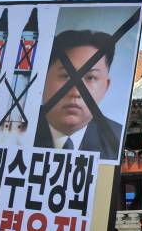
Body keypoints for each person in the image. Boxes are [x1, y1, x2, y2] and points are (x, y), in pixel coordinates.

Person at [34, 30, 122, 160]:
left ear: (106, 87)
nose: (76, 92)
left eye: (91, 78)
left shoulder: (117, 140)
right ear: (43, 79)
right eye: (65, 76)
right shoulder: (13, 130)